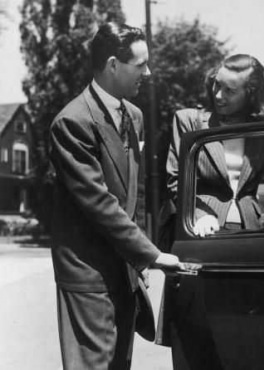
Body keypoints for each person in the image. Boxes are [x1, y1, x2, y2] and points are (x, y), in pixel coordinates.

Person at [49, 22, 183, 370]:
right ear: (112, 65)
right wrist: (152, 254)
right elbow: (101, 204)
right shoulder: (72, 122)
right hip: (89, 276)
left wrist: (137, 262)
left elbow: (132, 194)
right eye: (140, 65)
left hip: (124, 272)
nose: (148, 73)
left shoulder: (134, 116)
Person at [166, 53, 264, 237]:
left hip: (249, 234)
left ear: (250, 94)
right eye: (217, 84)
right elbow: (176, 181)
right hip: (199, 231)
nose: (218, 95)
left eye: (230, 90)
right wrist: (199, 215)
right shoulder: (189, 121)